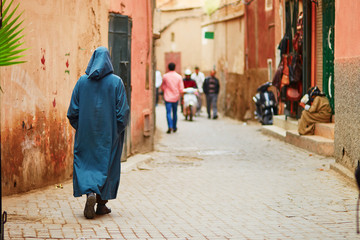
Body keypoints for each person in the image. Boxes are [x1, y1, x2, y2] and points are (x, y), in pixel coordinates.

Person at [67, 47, 129, 219]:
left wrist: (82, 128)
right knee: (107, 165)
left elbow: (72, 111)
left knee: (86, 164)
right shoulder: (116, 82)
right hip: (109, 135)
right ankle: (101, 204)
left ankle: (90, 194)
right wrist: (116, 132)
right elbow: (122, 113)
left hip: (86, 134)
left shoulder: (81, 82)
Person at [161, 62, 184, 133]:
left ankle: (170, 126)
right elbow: (181, 88)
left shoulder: (165, 76)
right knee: (175, 113)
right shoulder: (179, 77)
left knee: (168, 113)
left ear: (168, 68)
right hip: (175, 97)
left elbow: (163, 87)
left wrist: (165, 90)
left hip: (167, 97)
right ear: (175, 67)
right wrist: (182, 97)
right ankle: (174, 127)